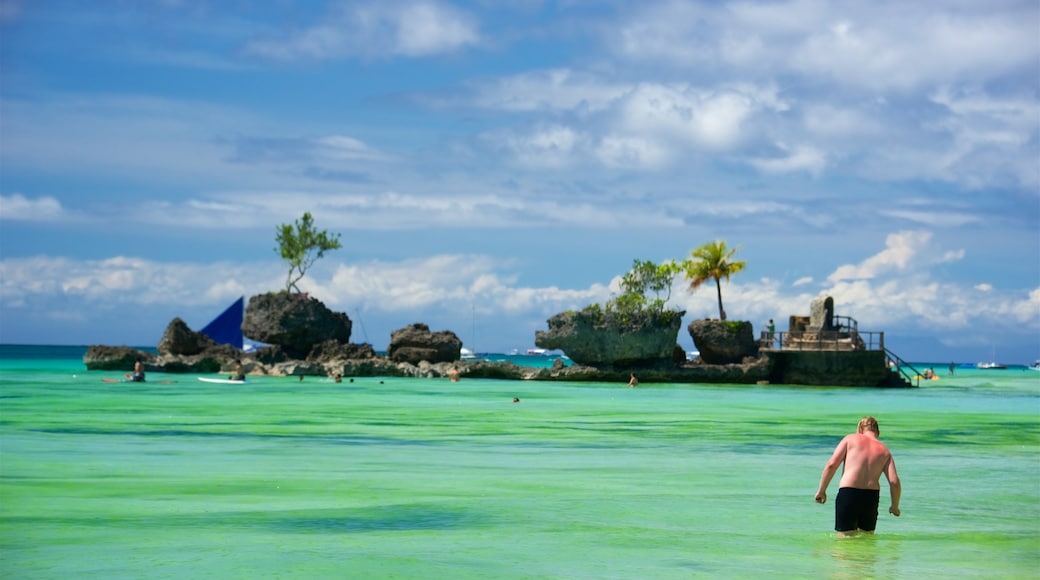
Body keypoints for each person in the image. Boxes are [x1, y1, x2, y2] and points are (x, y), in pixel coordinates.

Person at [815, 416, 901, 537]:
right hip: (871, 498)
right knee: (867, 541)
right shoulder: (884, 450)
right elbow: (894, 481)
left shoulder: (850, 439)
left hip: (849, 493)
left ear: (860, 428)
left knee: (844, 542)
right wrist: (895, 506)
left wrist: (822, 491)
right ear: (878, 432)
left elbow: (831, 465)